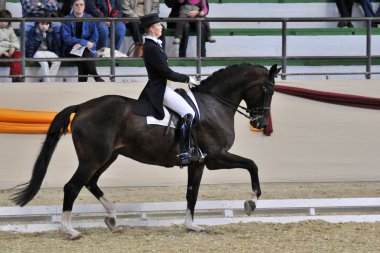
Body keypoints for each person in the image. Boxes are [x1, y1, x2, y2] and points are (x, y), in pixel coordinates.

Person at [133, 13, 205, 165]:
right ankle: (185, 152)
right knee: (188, 113)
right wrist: (187, 78)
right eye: (158, 25)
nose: (161, 27)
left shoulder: (154, 44)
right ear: (151, 29)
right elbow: (166, 72)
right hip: (160, 89)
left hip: (163, 86)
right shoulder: (151, 47)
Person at [61, 0, 104, 82]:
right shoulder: (67, 19)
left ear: (84, 6)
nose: (79, 7)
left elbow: (95, 37)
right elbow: (66, 38)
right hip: (70, 48)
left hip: (86, 48)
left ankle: (82, 84)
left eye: (81, 5)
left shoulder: (89, 18)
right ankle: (96, 77)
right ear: (72, 7)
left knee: (83, 57)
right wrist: (83, 42)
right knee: (84, 54)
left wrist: (82, 44)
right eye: (76, 5)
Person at [26, 17, 61, 82]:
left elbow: (55, 45)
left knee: (57, 61)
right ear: (38, 24)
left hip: (46, 51)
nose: (44, 26)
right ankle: (48, 83)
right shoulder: (33, 31)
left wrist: (57, 54)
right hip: (36, 52)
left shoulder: (51, 31)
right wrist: (30, 57)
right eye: (42, 24)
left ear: (49, 25)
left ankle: (50, 81)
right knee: (44, 63)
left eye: (47, 24)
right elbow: (30, 45)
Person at [0, 9, 23, 82]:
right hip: (1, 52)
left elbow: (15, 40)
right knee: (16, 62)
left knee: (18, 55)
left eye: (6, 21)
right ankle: (17, 76)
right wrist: (3, 51)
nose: (4, 23)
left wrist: (13, 47)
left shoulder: (10, 29)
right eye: (2, 21)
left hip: (9, 51)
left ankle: (15, 77)